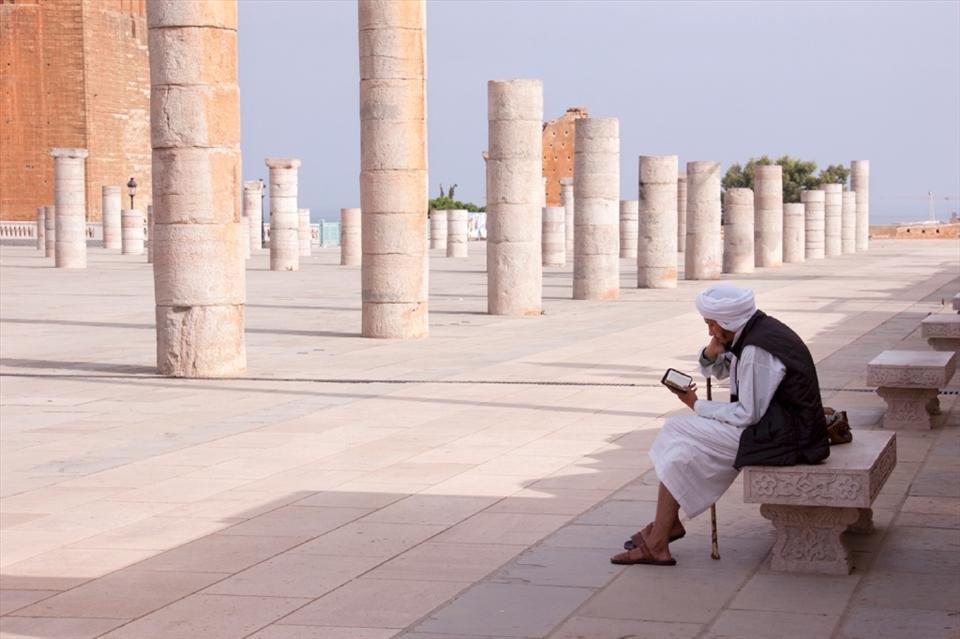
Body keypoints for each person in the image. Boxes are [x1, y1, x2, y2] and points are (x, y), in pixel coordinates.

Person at [611, 284, 830, 566]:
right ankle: (663, 533)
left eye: (712, 325)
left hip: (785, 438)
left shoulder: (756, 350)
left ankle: (661, 535)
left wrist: (695, 404)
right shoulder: (751, 331)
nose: (710, 332)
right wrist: (710, 353)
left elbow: (747, 413)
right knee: (680, 450)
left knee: (676, 430)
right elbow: (722, 370)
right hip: (774, 427)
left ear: (728, 321)